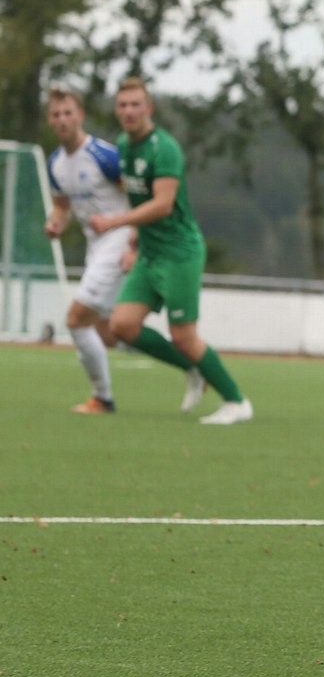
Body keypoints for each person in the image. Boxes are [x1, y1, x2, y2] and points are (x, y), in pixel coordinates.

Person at [89, 76, 253, 425]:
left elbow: (162, 205)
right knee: (122, 325)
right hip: (149, 253)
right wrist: (133, 241)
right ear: (117, 110)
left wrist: (116, 222)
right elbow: (139, 198)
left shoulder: (164, 148)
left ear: (149, 108)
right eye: (123, 105)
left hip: (179, 253)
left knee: (183, 335)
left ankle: (237, 402)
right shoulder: (124, 145)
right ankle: (192, 368)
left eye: (136, 104)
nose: (129, 111)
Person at [41, 87, 131, 414]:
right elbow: (62, 207)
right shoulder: (56, 164)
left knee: (76, 319)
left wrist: (135, 243)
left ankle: (102, 398)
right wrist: (56, 224)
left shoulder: (104, 156)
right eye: (56, 114)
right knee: (112, 332)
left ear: (80, 115)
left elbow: (137, 198)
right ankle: (191, 362)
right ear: (50, 120)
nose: (62, 119)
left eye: (68, 113)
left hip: (119, 238)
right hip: (97, 247)